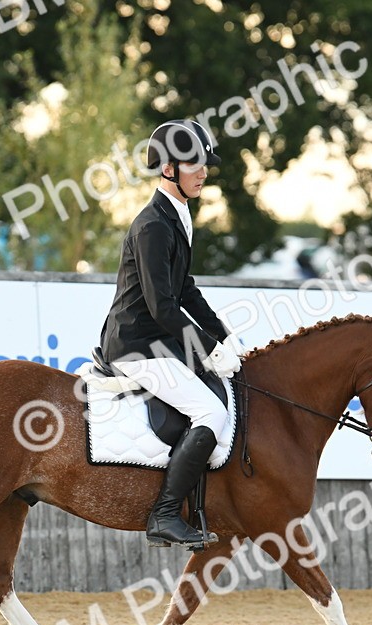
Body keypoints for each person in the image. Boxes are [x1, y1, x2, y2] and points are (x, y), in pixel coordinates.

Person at [97, 119, 242, 549]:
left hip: (157, 338)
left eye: (204, 163)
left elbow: (185, 289)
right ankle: (163, 515)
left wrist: (222, 335)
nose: (203, 171)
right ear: (167, 169)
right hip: (137, 344)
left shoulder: (177, 215)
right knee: (211, 414)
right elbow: (162, 307)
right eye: (193, 163)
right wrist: (207, 348)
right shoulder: (153, 225)